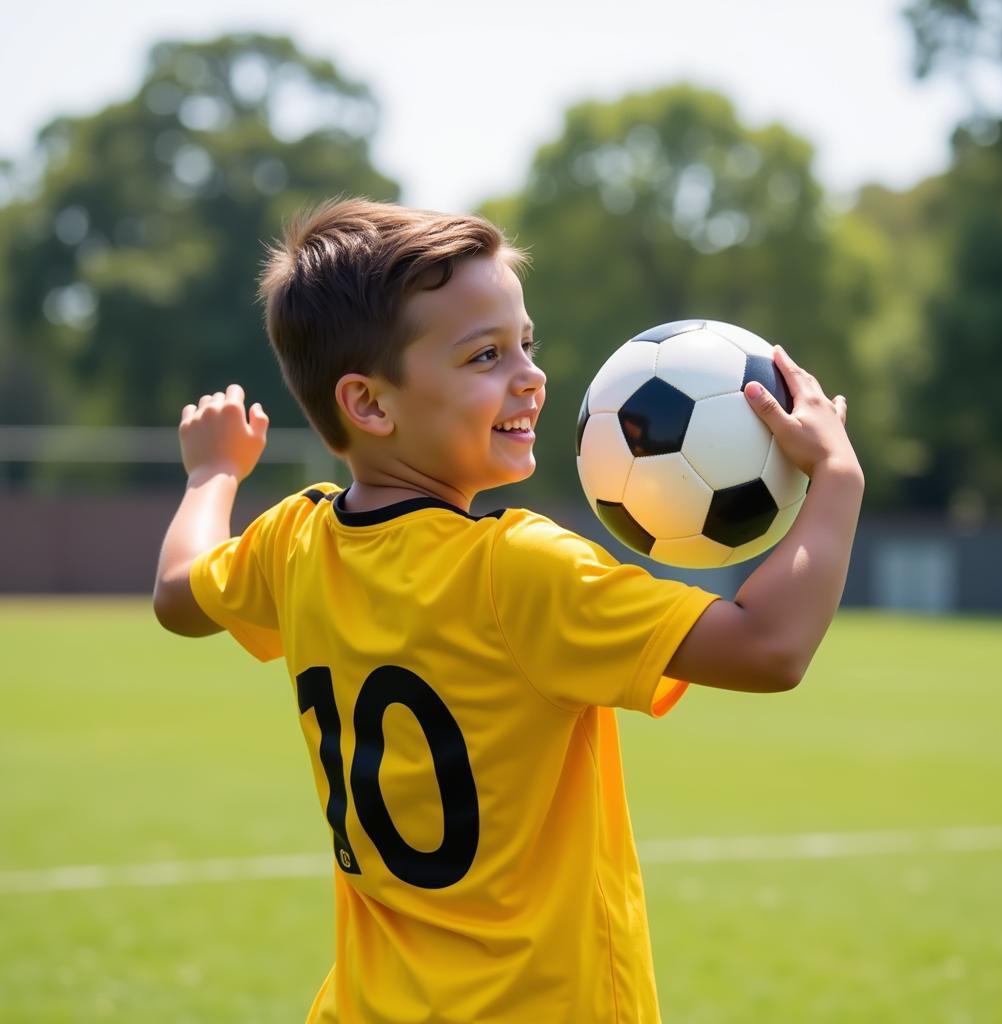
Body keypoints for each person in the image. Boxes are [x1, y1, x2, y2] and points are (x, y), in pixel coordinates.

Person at [153, 197, 863, 1023]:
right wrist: (838, 478)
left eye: (527, 343)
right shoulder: (515, 569)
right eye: (485, 355)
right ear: (371, 404)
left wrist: (212, 477)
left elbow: (179, 593)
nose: (530, 376)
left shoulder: (294, 542)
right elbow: (770, 647)